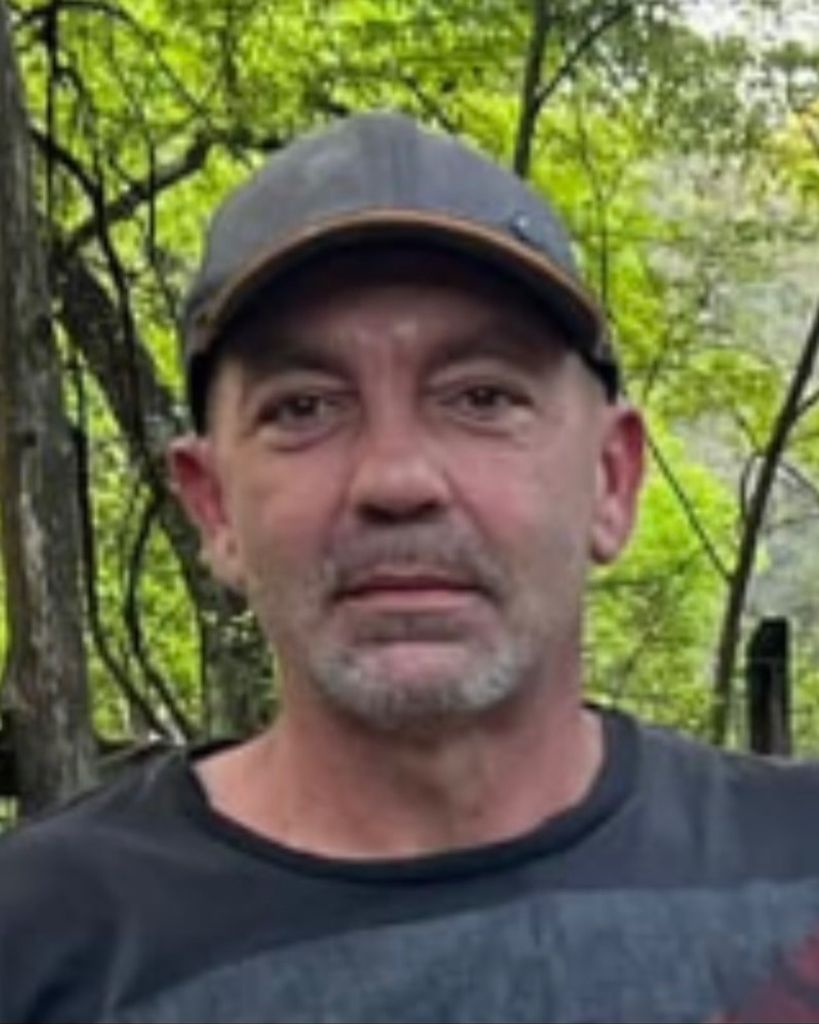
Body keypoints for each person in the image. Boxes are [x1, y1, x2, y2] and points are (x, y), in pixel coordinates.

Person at [1, 111, 819, 1024]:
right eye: (303, 407)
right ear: (213, 505)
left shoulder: (797, 886)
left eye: (482, 397)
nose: (396, 480)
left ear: (609, 480)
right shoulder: (40, 944)